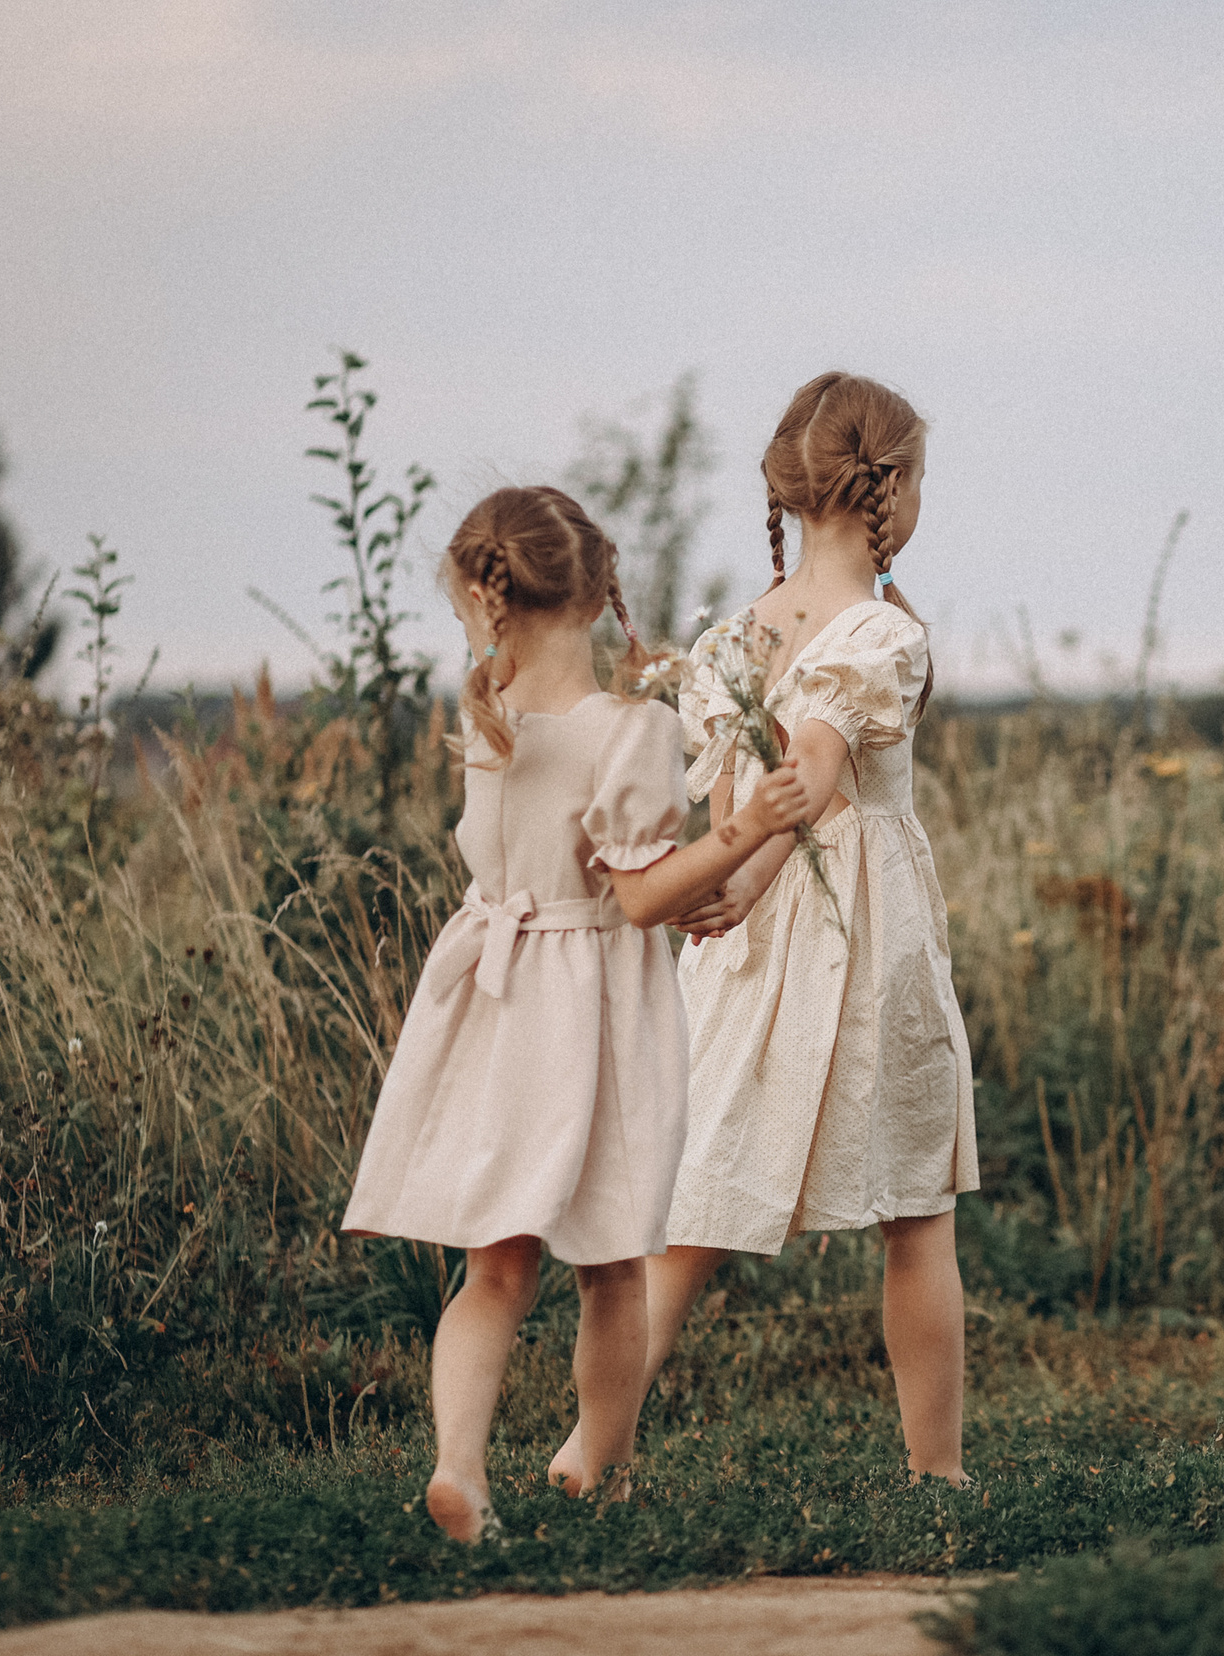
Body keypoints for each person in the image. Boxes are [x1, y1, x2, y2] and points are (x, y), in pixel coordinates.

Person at [342, 485, 806, 1543]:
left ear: (483, 595)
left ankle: (460, 1462)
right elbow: (638, 897)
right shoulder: (629, 731)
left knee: (494, 1265)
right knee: (610, 1260)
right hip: (588, 1014)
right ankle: (603, 1463)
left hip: (491, 1002)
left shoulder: (489, 716)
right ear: (603, 592)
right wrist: (745, 831)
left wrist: (702, 860)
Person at [550, 372, 979, 1490]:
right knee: (916, 1207)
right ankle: (936, 1471)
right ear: (894, 488)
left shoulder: (735, 636)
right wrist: (758, 870)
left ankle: (590, 1451)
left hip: (739, 931)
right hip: (857, 933)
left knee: (688, 1203)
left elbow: (735, 784)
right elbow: (816, 771)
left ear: (795, 489)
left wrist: (724, 870)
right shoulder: (877, 632)